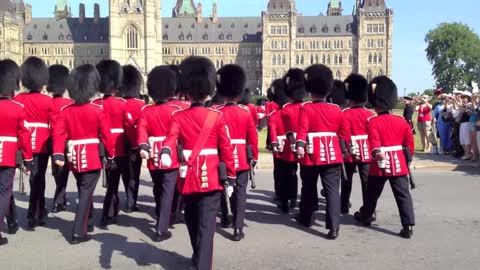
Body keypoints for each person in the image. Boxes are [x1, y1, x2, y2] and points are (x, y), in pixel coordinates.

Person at [160, 56, 236, 270]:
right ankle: (201, 259)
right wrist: (230, 177)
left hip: (189, 178)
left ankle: (201, 262)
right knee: (205, 225)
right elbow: (226, 150)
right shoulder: (217, 116)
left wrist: (166, 150)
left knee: (193, 222)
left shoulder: (178, 116)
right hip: (211, 177)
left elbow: (171, 137)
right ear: (209, 91)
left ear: (187, 91)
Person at [52, 64, 115, 244]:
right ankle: (78, 232)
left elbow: (58, 134)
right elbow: (107, 137)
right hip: (92, 158)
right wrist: (110, 155)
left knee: (83, 189)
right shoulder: (97, 111)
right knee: (86, 194)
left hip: (74, 159)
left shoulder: (66, 112)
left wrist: (58, 155)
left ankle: (89, 222)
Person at [354, 76, 415, 239]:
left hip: (379, 163)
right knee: (403, 194)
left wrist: (376, 153)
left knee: (372, 193)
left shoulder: (372, 121)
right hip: (399, 162)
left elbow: (374, 141)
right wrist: (407, 159)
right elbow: (410, 144)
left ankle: (366, 215)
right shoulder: (401, 121)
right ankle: (407, 225)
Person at [295, 65, 344, 240]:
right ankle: (334, 228)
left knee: (308, 188)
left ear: (311, 89)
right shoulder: (337, 109)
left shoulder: (306, 108)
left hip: (311, 153)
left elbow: (302, 129)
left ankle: (306, 218)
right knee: (332, 191)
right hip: (332, 154)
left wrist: (300, 145)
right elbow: (342, 133)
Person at [137, 66, 182, 242]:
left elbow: (142, 131)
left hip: (153, 155)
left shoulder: (147, 110)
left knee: (157, 187)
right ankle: (161, 228)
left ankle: (160, 214)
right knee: (167, 190)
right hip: (170, 154)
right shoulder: (175, 110)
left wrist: (143, 147)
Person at [216, 64, 258, 241]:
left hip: (222, 158)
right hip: (241, 157)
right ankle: (238, 228)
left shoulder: (216, 112)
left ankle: (226, 218)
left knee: (223, 188)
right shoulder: (245, 113)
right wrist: (253, 158)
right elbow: (252, 138)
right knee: (241, 193)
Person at [14, 56, 52, 229]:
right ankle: (37, 211)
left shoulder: (20, 99)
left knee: (33, 178)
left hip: (25, 142)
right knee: (40, 177)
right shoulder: (48, 100)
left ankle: (33, 212)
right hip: (42, 142)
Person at [0, 59, 33, 246]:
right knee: (4, 191)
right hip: (7, 155)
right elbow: (24, 137)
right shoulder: (17, 108)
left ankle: (11, 222)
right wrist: (28, 159)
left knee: (4, 191)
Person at [94, 60, 129, 227]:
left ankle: (112, 210)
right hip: (119, 147)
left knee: (111, 181)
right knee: (115, 183)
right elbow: (128, 126)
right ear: (115, 85)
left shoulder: (95, 104)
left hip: (101, 148)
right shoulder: (121, 103)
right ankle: (108, 213)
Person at [339, 74, 374, 214]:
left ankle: (344, 206)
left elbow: (344, 135)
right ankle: (369, 209)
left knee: (346, 180)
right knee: (366, 182)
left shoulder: (344, 113)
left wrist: (343, 150)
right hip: (366, 151)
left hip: (349, 150)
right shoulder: (370, 114)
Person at [277, 68, 306, 213]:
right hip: (305, 144)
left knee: (288, 174)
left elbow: (285, 129)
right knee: (306, 177)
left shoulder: (286, 109)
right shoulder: (306, 107)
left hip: (291, 144)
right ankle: (296, 199)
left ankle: (285, 201)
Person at [47, 64, 74, 213]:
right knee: (64, 171)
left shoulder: (48, 103)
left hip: (52, 140)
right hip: (66, 141)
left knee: (58, 172)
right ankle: (59, 199)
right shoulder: (69, 103)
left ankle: (60, 199)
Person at [120, 65, 146, 212]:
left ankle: (128, 199)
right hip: (135, 143)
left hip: (120, 143)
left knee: (125, 174)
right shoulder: (141, 104)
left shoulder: (120, 103)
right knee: (134, 174)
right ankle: (132, 200)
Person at [267, 79, 288, 204]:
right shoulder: (295, 110)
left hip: (278, 145)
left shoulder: (275, 113)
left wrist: (271, 142)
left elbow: (272, 130)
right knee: (291, 172)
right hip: (291, 145)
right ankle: (290, 195)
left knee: (279, 170)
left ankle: (280, 194)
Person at [458, 92, 473, 160]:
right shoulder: (463, 105)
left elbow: (463, 111)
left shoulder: (469, 104)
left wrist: (460, 103)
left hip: (467, 123)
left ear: (468, 98)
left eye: (464, 97)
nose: (462, 99)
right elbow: (461, 111)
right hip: (463, 123)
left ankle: (468, 154)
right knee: (462, 140)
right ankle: (466, 153)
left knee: (467, 139)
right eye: (462, 97)